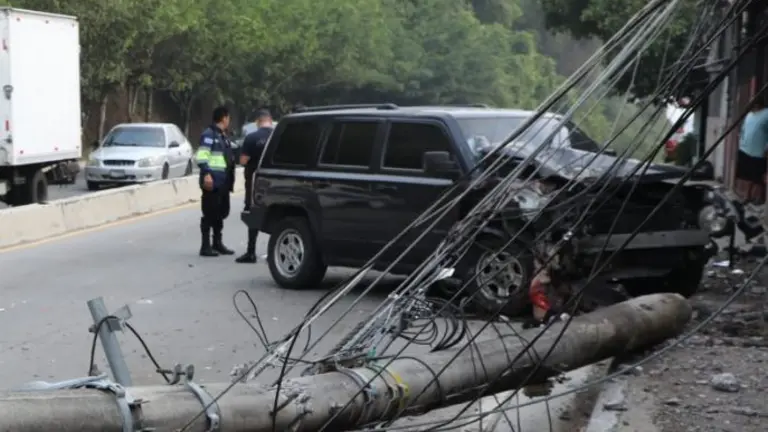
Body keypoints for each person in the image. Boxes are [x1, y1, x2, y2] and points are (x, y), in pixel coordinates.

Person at [235, 109, 274, 263]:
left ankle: (251, 252)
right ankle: (273, 252)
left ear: (258, 121)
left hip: (255, 182)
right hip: (276, 182)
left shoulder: (252, 138)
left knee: (253, 214)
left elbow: (243, 161)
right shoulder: (277, 136)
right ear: (270, 120)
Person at [196, 106, 236, 257]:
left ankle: (217, 243)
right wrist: (206, 173)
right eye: (228, 118)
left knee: (220, 213)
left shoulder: (223, 136)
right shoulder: (209, 135)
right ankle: (205, 246)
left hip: (223, 182)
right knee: (209, 213)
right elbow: (202, 156)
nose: (229, 121)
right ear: (224, 118)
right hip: (211, 181)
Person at [736, 99, 768, 204]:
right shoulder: (749, 115)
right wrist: (741, 142)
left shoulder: (766, 114)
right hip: (745, 149)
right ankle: (747, 196)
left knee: (759, 176)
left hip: (759, 151)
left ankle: (760, 197)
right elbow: (743, 130)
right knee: (747, 175)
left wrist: (766, 148)